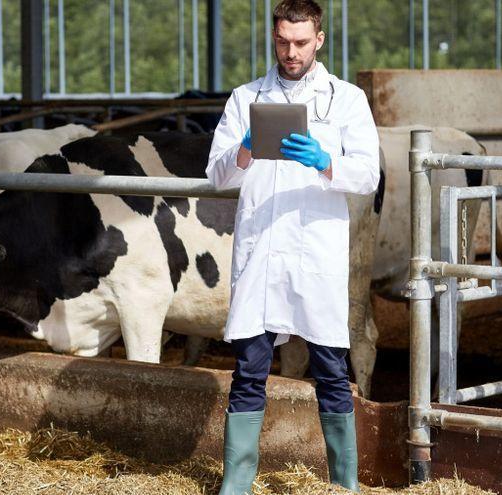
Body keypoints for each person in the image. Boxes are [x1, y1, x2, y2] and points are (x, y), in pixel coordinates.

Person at [205, 0, 380, 493]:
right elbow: (216, 175)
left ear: (319, 40)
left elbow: (368, 175)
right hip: (262, 256)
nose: (291, 51)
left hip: (315, 257)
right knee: (249, 370)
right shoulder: (245, 98)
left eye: (301, 42)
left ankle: (343, 484)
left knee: (330, 369)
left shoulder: (345, 100)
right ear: (273, 37)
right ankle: (236, 484)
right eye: (283, 41)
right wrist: (242, 149)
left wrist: (326, 161)